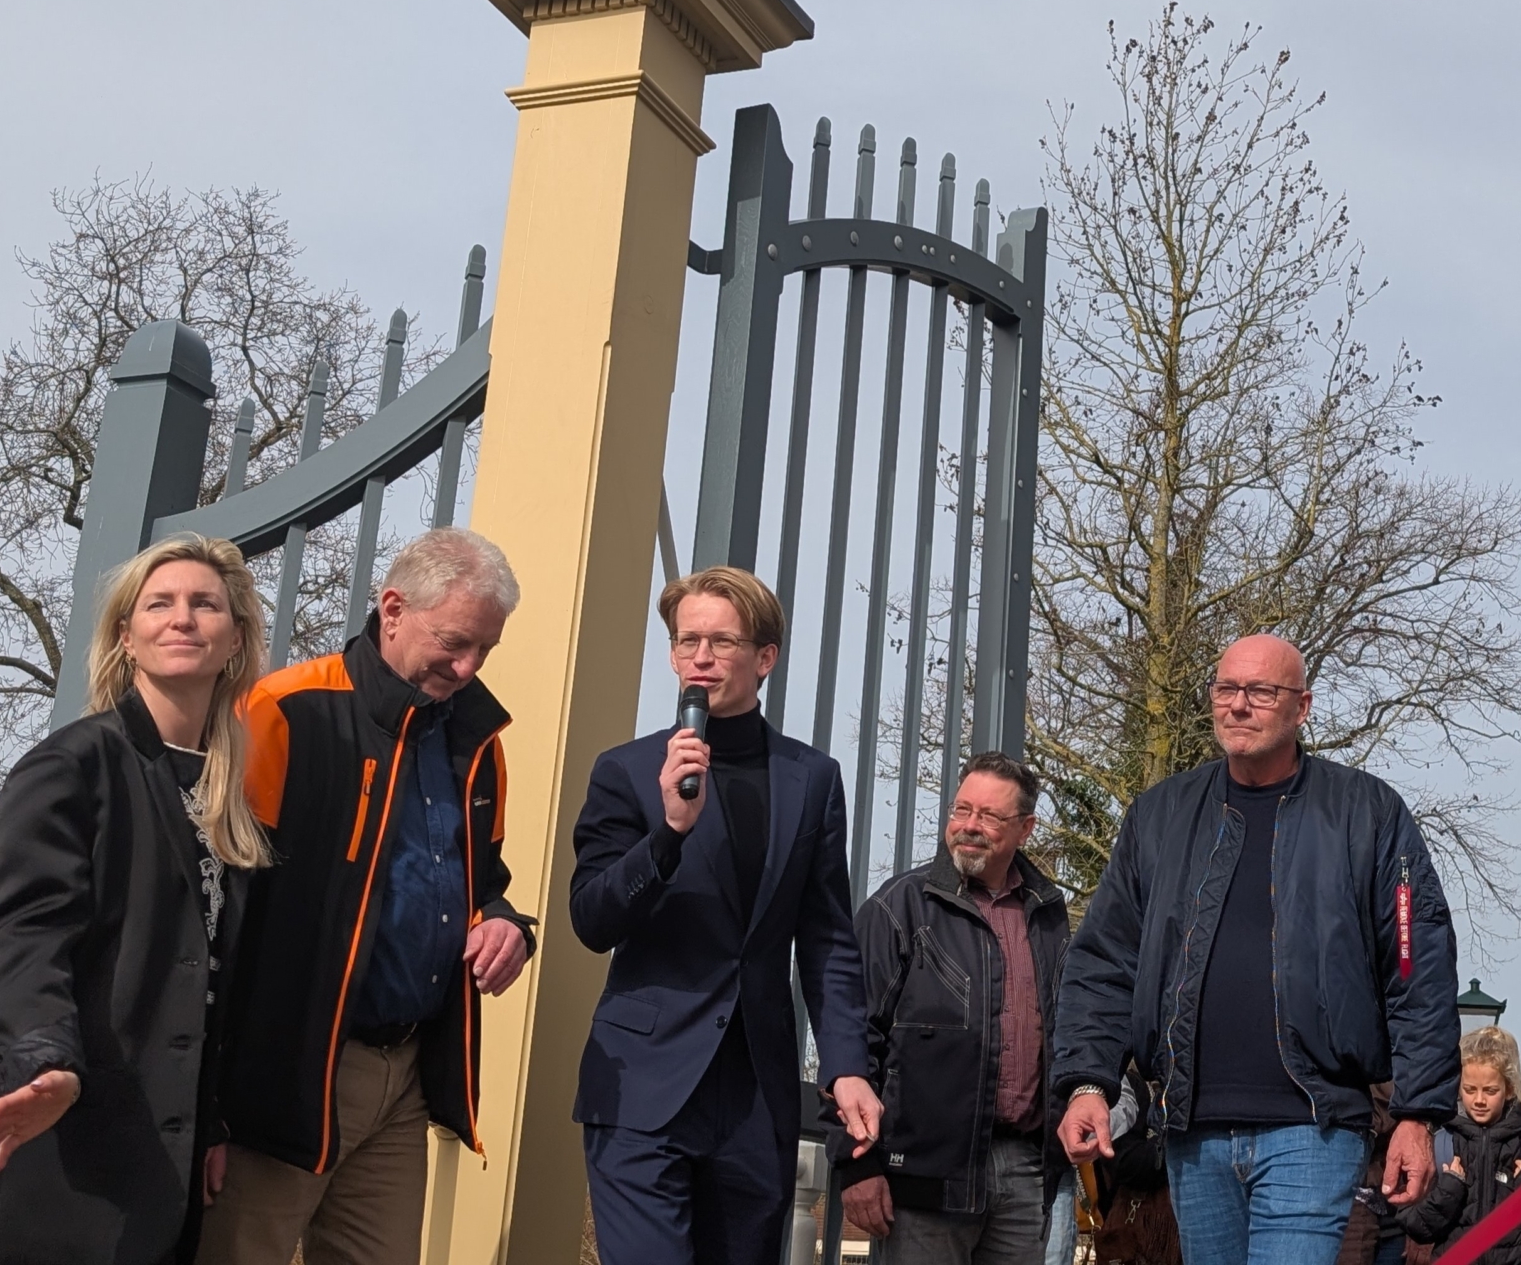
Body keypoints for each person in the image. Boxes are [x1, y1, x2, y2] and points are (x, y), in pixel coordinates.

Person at [1051, 634, 1460, 1265]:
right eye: (1226, 689)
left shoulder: (1366, 813)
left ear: (1302, 706)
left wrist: (1418, 1113)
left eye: (1260, 691)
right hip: (1191, 1131)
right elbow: (1104, 961)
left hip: (1313, 1127)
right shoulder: (1159, 816)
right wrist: (1087, 1083)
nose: (1239, 705)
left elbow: (1417, 967)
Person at [199, 528, 537, 1265]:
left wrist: (507, 923)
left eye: (485, 650)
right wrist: (211, 1104)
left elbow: (485, 882)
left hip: (407, 1073)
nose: (468, 665)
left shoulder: (480, 743)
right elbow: (224, 908)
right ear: (392, 608)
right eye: (454, 641)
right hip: (289, 1069)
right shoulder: (285, 710)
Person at [0, 536, 268, 1265]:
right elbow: (20, 933)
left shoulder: (227, 808)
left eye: (205, 604)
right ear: (127, 636)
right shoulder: (70, 767)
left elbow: (208, 991)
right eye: (160, 604)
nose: (182, 618)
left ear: (234, 640)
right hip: (59, 1158)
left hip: (158, 1166)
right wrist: (43, 1059)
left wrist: (210, 1124)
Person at [570, 565, 878, 1264]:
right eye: (687, 642)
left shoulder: (813, 781)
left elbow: (828, 939)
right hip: (643, 1086)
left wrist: (847, 1066)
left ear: (764, 657)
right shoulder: (626, 771)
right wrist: (669, 834)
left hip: (754, 1095)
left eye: (720, 642)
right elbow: (591, 920)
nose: (700, 658)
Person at [840, 751, 1070, 1264]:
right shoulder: (898, 907)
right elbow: (850, 1040)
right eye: (961, 810)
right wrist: (856, 1166)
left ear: (1025, 828)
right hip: (923, 1176)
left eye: (988, 816)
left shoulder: (1049, 917)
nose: (969, 826)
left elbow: (1065, 1032)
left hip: (1024, 1173)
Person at [1396, 1026, 1521, 1265]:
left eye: (1490, 1091)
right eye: (1470, 1090)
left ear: (1509, 1089)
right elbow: (1413, 1224)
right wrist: (1448, 1191)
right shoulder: (1442, 1144)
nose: (1480, 1100)